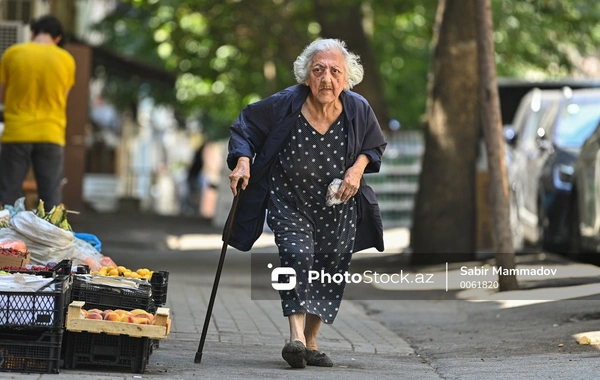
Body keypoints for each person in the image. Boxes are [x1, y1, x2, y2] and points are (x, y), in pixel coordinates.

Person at [226, 38, 387, 368]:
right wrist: (242, 161)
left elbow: (374, 147)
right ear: (306, 75)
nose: (326, 78)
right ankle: (296, 338)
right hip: (290, 201)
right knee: (296, 256)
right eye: (318, 70)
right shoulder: (285, 103)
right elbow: (245, 127)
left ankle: (311, 344)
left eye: (334, 71)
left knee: (330, 272)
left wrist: (356, 170)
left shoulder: (358, 109)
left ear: (346, 77)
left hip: (338, 206)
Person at [0, 15, 76, 210]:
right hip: (51, 133)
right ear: (57, 38)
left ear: (33, 32)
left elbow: (3, 93)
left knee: (8, 192)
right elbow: (63, 98)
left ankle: (5, 238)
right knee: (50, 195)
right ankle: (48, 238)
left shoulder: (13, 53)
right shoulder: (67, 60)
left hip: (17, 132)